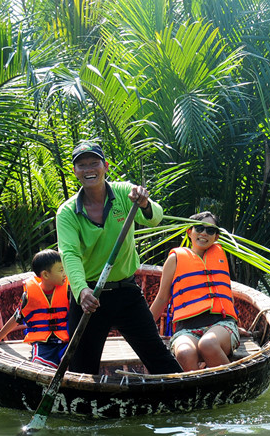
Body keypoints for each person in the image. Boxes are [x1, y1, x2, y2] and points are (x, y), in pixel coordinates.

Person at [56, 140, 183, 375]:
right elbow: (69, 254)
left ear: (105, 166)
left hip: (126, 292)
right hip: (90, 297)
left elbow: (155, 217)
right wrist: (81, 290)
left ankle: (183, 398)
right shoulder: (67, 212)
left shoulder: (125, 192)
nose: (89, 169)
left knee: (159, 358)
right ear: (75, 172)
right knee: (82, 369)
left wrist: (144, 202)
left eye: (94, 163)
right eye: (82, 165)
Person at [149, 212, 244, 370]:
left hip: (221, 324)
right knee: (185, 353)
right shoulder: (175, 259)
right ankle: (195, 394)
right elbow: (161, 298)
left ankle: (234, 388)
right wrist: (143, 329)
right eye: (199, 228)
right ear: (189, 232)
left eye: (210, 230)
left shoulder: (220, 257)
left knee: (208, 344)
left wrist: (236, 323)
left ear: (216, 237)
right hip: (186, 329)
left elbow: (225, 294)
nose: (204, 233)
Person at [0, 249, 70, 368]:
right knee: (38, 365)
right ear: (46, 274)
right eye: (61, 270)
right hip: (43, 344)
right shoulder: (28, 295)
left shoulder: (68, 290)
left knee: (72, 363)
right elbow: (17, 317)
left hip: (66, 341)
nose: (64, 274)